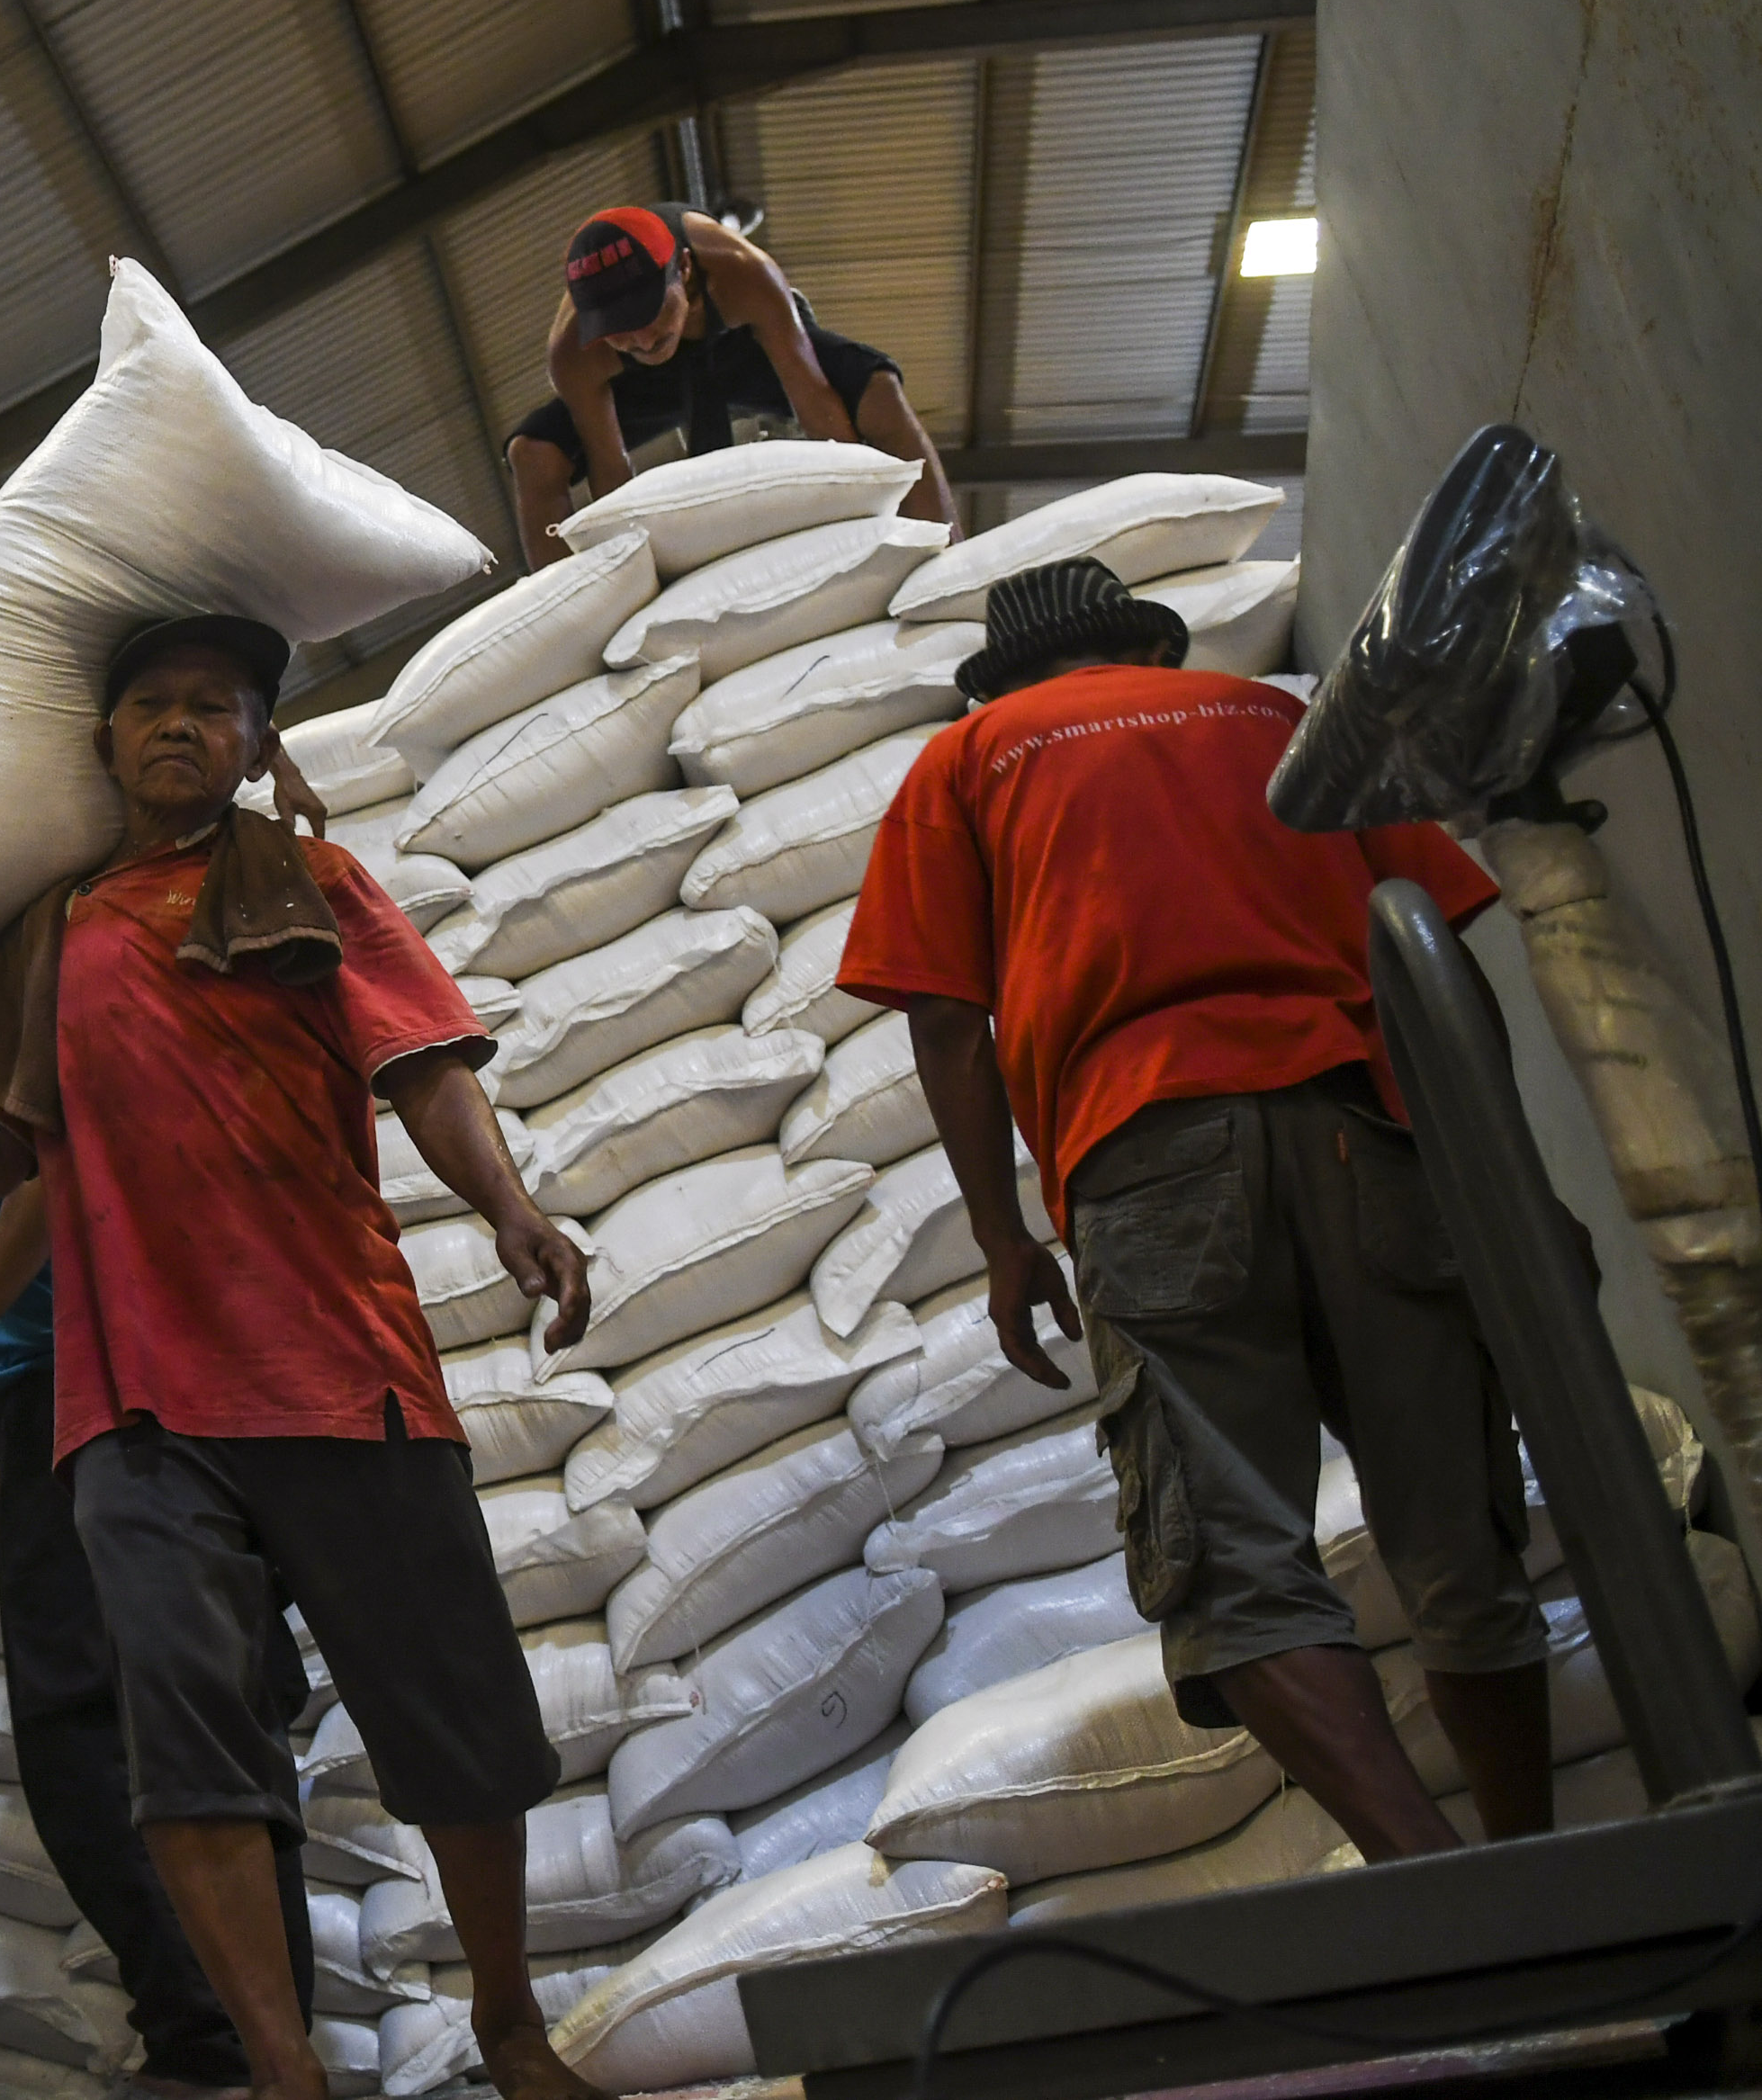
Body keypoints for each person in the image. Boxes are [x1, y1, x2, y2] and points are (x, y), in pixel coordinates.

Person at [0, 615, 602, 2100]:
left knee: (458, 1722)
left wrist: (510, 1208)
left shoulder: (310, 879)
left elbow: (418, 1062)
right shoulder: (49, 931)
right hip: (136, 1408)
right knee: (189, 1753)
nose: (177, 727)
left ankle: (508, 2022)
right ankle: (280, 2068)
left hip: (339, 1365)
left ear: (252, 741)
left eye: (212, 709)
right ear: (102, 742)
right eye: (149, 705)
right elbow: (4, 1149)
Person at [838, 558, 1553, 1862]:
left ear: (1004, 680)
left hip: (1150, 1150)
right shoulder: (1281, 718)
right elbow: (1435, 950)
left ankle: (1439, 1885)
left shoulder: (970, 760)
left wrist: (1002, 1239)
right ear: (1148, 652)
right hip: (1368, 1132)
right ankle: (1543, 1870)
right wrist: (1504, 1177)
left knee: (1235, 1563)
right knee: (1460, 1532)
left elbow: (948, 1018)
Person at [0, 1028, 313, 2097]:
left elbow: (37, 1170)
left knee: (136, 1722)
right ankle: (253, 2047)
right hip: (157, 1377)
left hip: (116, 1378)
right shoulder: (34, 1002)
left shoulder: (49, 998)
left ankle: (226, 2048)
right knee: (188, 1722)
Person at [508, 202, 954, 568]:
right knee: (532, 454)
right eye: (619, 329)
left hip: (746, 348)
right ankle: (574, 612)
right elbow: (613, 474)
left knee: (878, 391)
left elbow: (813, 398)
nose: (642, 338)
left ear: (682, 269)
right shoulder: (574, 352)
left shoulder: (743, 272)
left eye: (650, 312)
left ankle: (948, 560)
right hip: (642, 385)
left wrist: (858, 515)